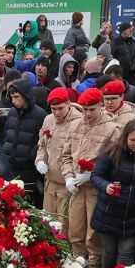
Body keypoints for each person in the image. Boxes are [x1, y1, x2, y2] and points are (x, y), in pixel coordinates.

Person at [61, 88, 121, 268]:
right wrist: (68, 177)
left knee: (93, 237)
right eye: (85, 110)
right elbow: (66, 156)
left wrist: (94, 175)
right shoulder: (75, 125)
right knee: (75, 233)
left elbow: (116, 164)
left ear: (100, 106)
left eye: (91, 110)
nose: (87, 114)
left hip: (96, 190)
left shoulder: (112, 129)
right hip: (77, 188)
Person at [88, 119, 135, 268]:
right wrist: (106, 186)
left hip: (134, 216)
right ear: (125, 138)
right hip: (109, 213)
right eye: (132, 140)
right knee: (109, 253)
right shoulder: (111, 153)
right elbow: (95, 176)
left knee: (126, 254)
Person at [37, 87, 82, 219]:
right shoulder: (48, 120)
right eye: (53, 108)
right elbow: (42, 144)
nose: (56, 112)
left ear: (68, 103)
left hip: (67, 183)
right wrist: (39, 160)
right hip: (50, 181)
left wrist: (71, 177)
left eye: (60, 108)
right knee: (48, 222)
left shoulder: (78, 122)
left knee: (63, 227)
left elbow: (78, 153)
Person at [1, 78, 48, 201]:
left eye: (16, 97)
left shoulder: (40, 115)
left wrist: (30, 157)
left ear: (26, 95)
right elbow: (6, 136)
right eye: (11, 97)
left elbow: (41, 142)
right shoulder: (12, 112)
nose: (13, 100)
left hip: (28, 169)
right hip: (10, 164)